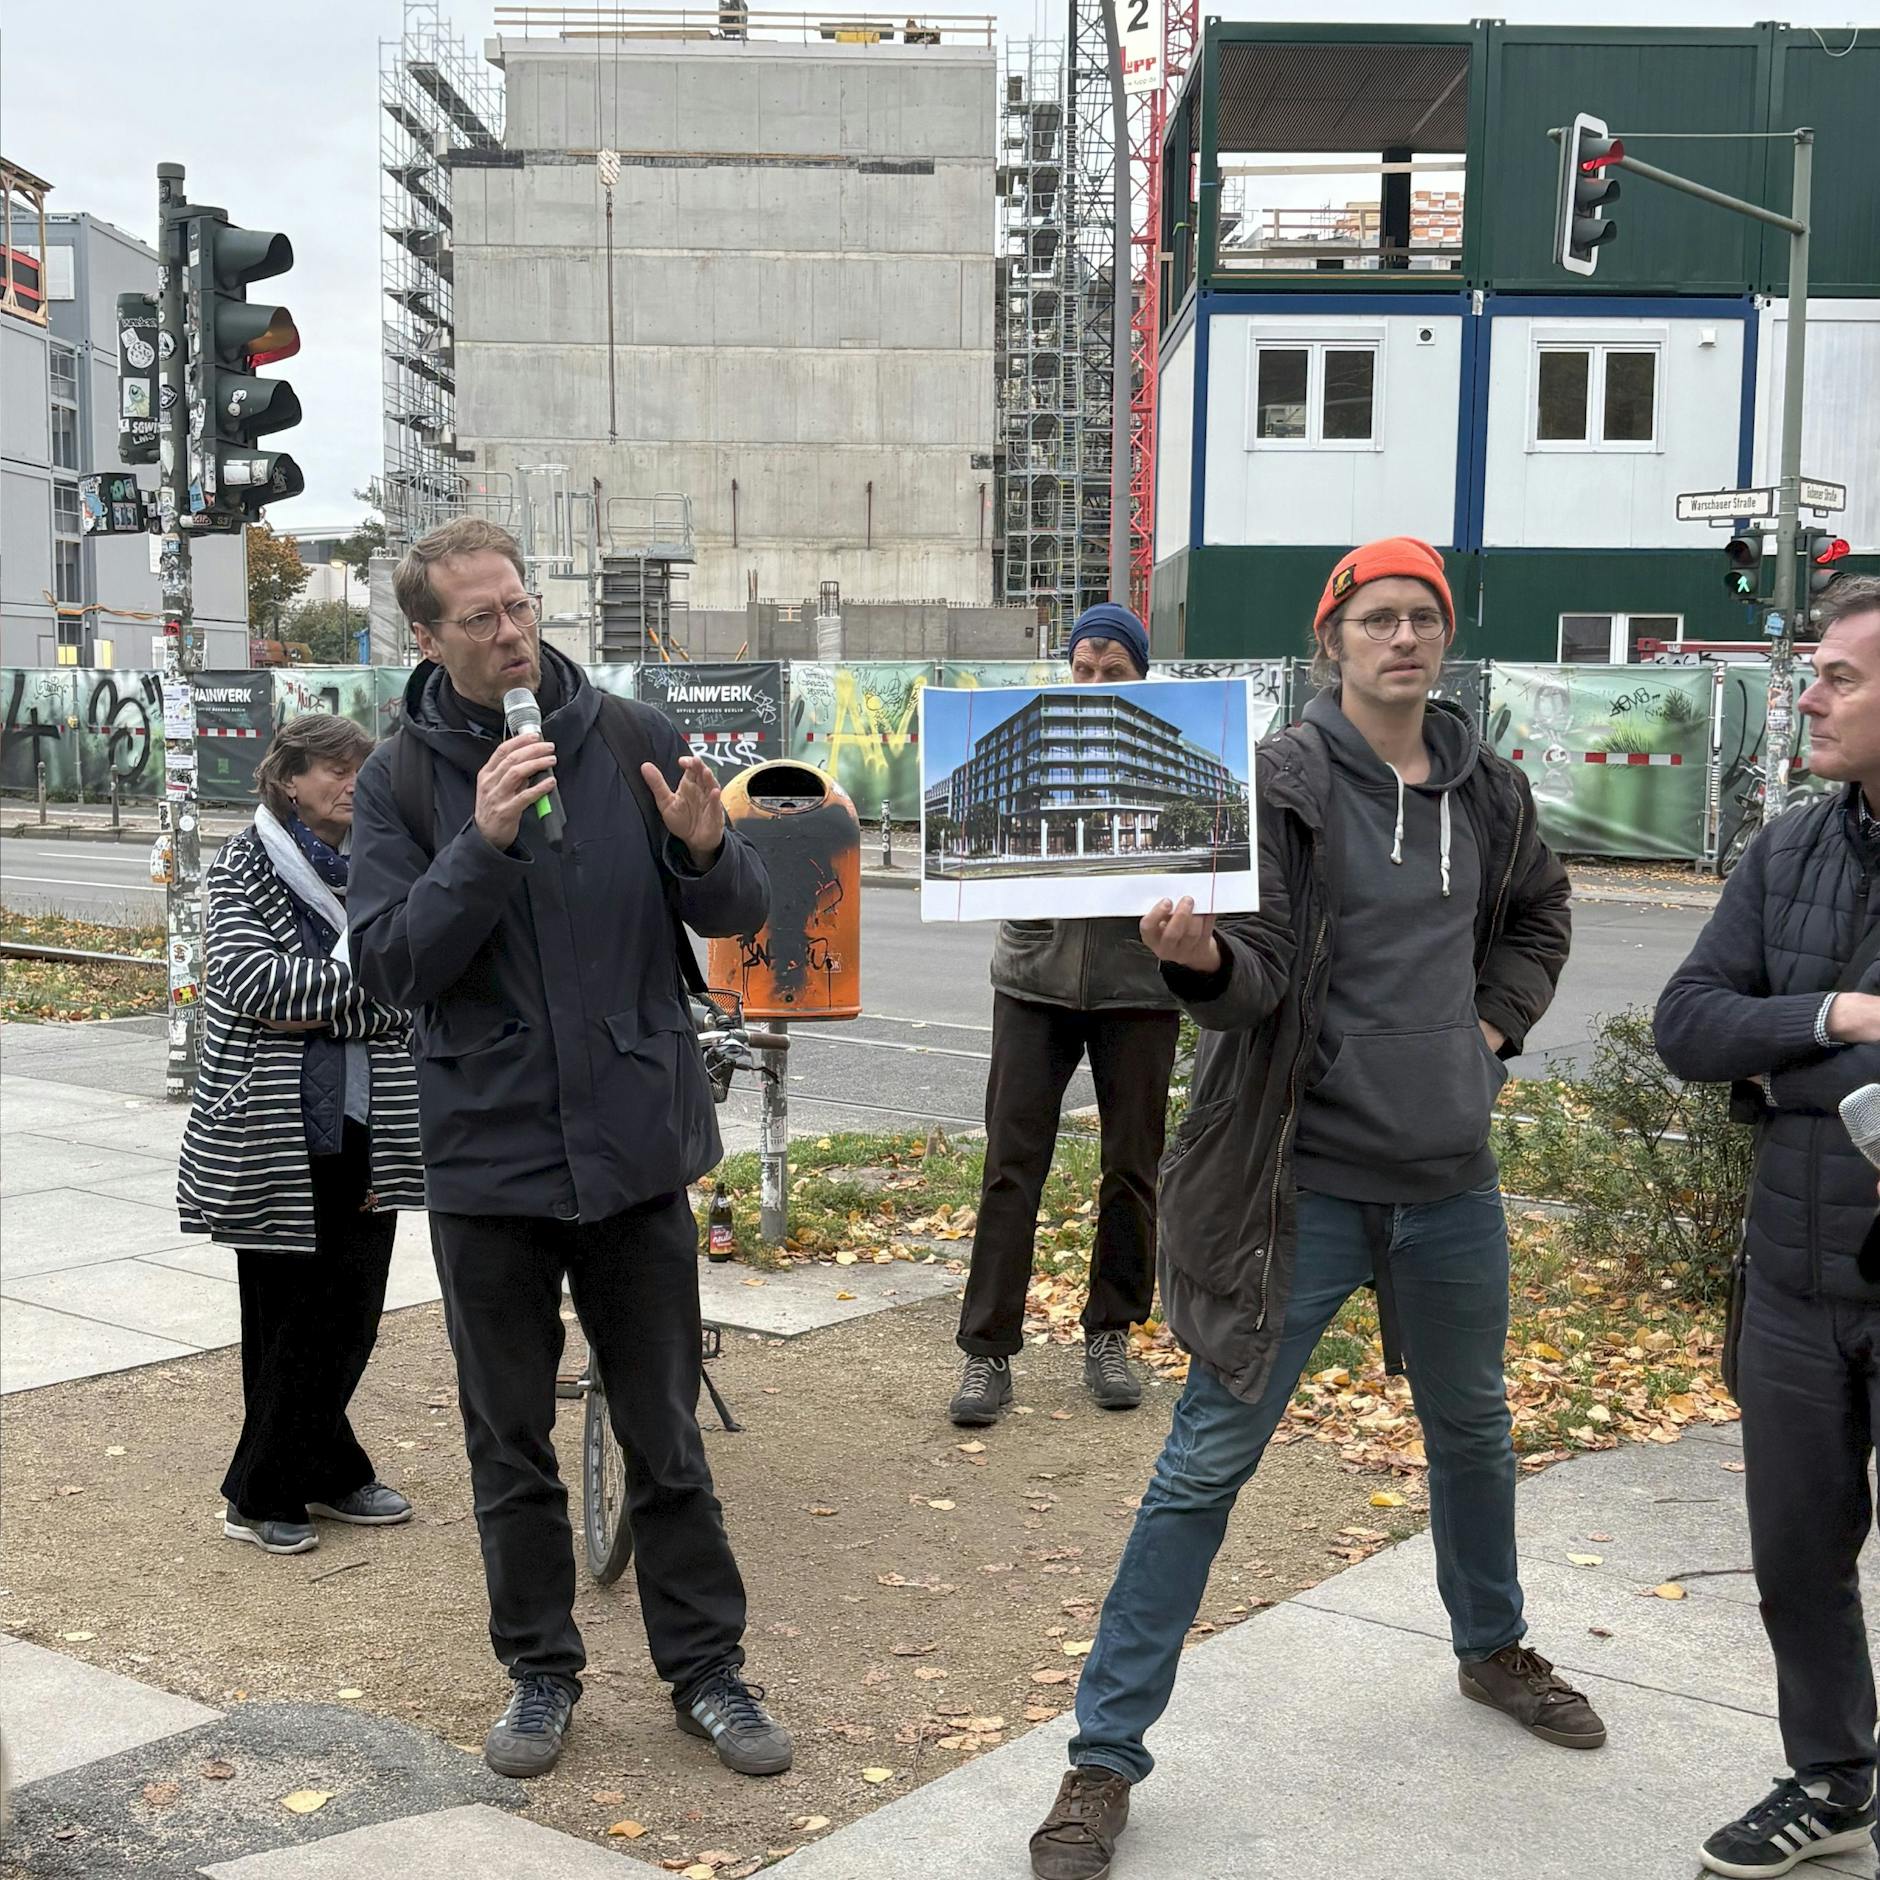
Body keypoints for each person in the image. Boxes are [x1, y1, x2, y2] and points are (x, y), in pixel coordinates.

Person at [1027, 538, 1592, 1880]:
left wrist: (1492, 1034)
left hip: (1448, 1180)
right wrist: (1203, 956)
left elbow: (1539, 917)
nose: (1403, 638)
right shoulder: (1275, 784)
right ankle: (1102, 1762)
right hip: (1301, 1186)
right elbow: (1258, 978)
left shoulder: (1487, 789)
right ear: (1331, 639)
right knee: (1206, 1463)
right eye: (1377, 618)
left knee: (1474, 1433)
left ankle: (1492, 1647)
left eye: (1423, 617)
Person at [348, 517, 791, 1784]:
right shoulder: (399, 782)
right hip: (488, 1160)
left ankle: (705, 1669)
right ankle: (540, 1671)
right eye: (478, 618)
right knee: (508, 1439)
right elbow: (387, 963)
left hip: (633, 1141)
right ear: (426, 637)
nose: (511, 631)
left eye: (520, 604)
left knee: (663, 1426)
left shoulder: (634, 738)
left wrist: (711, 850)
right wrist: (476, 845)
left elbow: (734, 913)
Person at [1654, 573, 1880, 1879]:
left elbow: (1730, 1045)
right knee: (1796, 1557)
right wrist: (1839, 1023)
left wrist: (1772, 1067)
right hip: (1792, 1279)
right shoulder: (1790, 845)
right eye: (1814, 672)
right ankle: (1833, 1781)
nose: (1810, 696)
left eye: (1840, 677)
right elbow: (1689, 1023)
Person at [178, 713, 425, 1558]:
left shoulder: (383, 859)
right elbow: (252, 981)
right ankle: (260, 1492)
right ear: (288, 779)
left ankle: (325, 1466)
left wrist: (323, 1010)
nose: (351, 783)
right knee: (286, 1314)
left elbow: (419, 974)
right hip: (275, 1128)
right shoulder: (246, 862)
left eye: (361, 768)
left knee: (352, 1310)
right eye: (332, 769)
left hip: (369, 1118)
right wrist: (371, 996)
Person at [949, 602, 1182, 1425]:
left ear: (1140, 680)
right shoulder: (1035, 740)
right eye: (1081, 669)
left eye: (1111, 672)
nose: (1091, 684)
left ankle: (1111, 1332)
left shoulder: (1161, 757)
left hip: (1141, 989)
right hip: (1033, 980)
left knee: (1132, 1165)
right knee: (1011, 1165)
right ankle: (986, 1353)